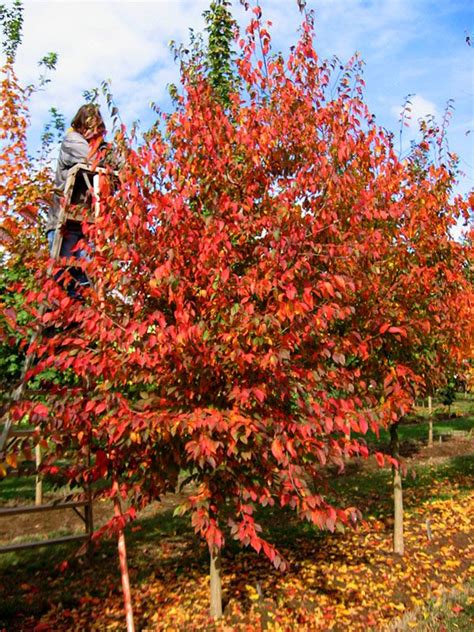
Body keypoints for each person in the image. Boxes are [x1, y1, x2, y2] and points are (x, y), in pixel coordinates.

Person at [46, 104, 106, 297]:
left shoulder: (97, 143)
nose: (93, 132)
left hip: (86, 223)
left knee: (86, 283)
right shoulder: (72, 140)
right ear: (80, 125)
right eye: (89, 127)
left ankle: (81, 324)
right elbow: (93, 159)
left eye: (97, 128)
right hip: (64, 223)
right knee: (63, 282)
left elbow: (120, 161)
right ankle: (57, 325)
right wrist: (105, 151)